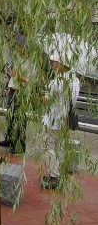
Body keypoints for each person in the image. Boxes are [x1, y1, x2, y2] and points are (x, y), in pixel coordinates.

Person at [40, 53, 80, 190]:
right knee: (60, 148)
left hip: (52, 120)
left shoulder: (56, 82)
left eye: (55, 62)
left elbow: (46, 101)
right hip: (65, 120)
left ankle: (54, 176)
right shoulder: (75, 80)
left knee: (47, 147)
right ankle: (60, 173)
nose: (52, 64)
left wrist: (40, 95)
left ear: (62, 64)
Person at [0, 35, 31, 154]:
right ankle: (10, 138)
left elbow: (30, 80)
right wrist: (9, 87)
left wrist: (17, 75)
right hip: (13, 90)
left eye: (19, 47)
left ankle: (20, 144)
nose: (18, 49)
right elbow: (13, 76)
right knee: (10, 116)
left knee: (19, 118)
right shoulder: (17, 58)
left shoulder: (30, 61)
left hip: (21, 92)